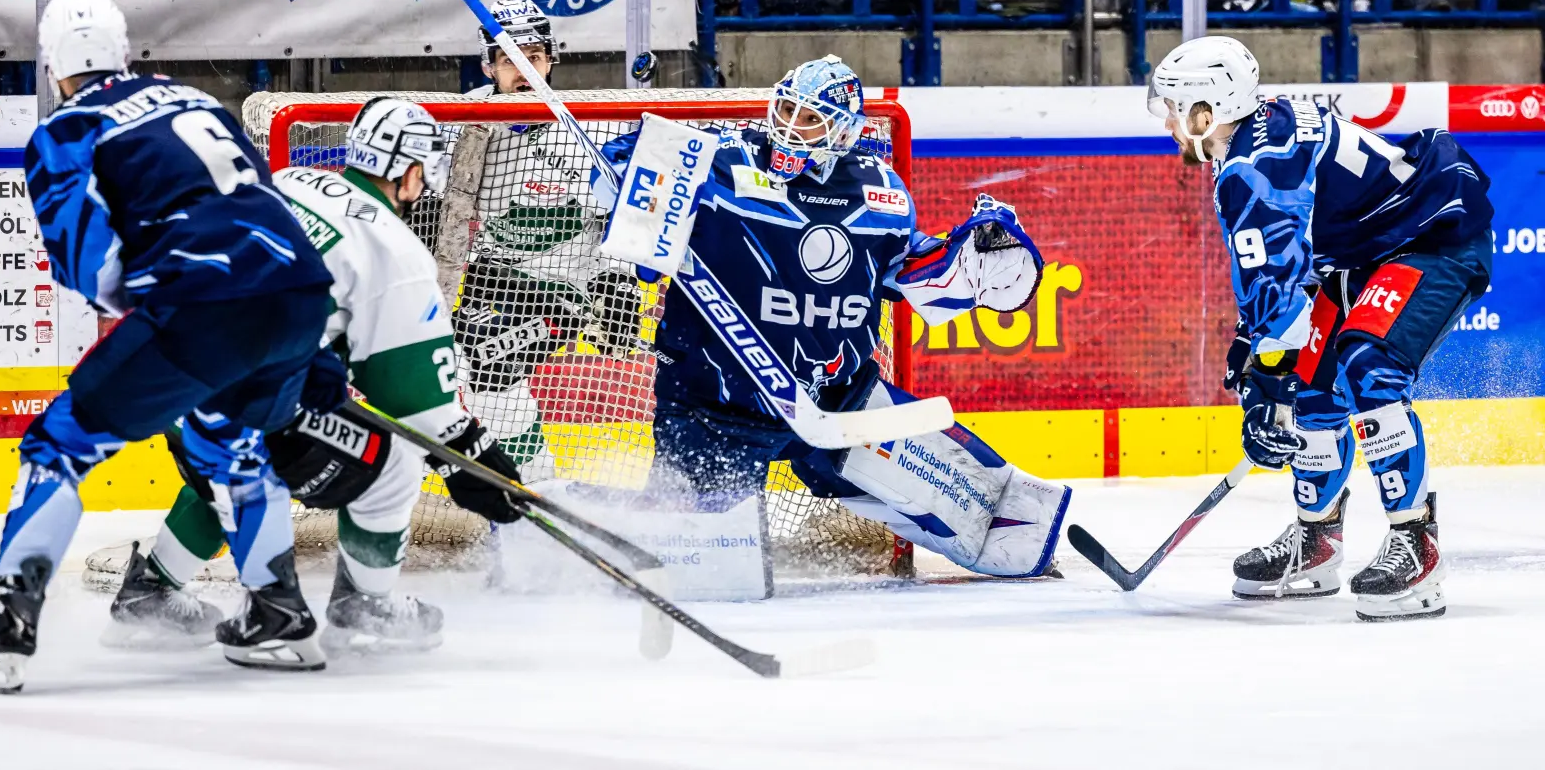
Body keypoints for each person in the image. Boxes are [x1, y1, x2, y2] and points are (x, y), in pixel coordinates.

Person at [0, 0, 337, 693]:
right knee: (232, 442)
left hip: (203, 303)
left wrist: (163, 336)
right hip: (302, 292)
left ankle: (9, 632)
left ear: (52, 69)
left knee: (57, 445)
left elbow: (89, 265)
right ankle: (281, 618)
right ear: (126, 54)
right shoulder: (193, 100)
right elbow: (258, 201)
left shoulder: (69, 128)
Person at [589, 56, 1066, 578]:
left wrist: (973, 261)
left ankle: (1014, 546)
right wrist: (629, 173)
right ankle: (580, 534)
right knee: (701, 571)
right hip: (717, 406)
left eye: (810, 118)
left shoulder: (879, 191)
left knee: (986, 506)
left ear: (844, 130)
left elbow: (908, 272)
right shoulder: (719, 160)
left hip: (839, 404)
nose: (791, 127)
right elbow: (623, 166)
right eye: (786, 109)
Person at [103, 99, 524, 654]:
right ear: (413, 172)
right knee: (396, 459)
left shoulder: (289, 178)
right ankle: (365, 607)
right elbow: (410, 390)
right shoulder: (391, 246)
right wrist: (468, 456)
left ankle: (149, 594)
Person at [1149, 35, 1494, 620]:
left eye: (1176, 113)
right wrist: (1258, 347)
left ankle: (1417, 545)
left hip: (1433, 239)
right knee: (1311, 381)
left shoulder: (1250, 167)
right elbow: (1281, 273)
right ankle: (1318, 542)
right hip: (1377, 247)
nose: (1170, 127)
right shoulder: (1257, 134)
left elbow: (1279, 285)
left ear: (1205, 114)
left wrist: (1266, 380)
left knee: (1368, 365)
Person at [454, 0, 645, 482]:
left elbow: (618, 222)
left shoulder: (594, 126)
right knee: (453, 372)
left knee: (486, 360)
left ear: (551, 59)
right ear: (489, 67)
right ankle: (534, 480)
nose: (524, 70)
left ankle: (538, 485)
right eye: (508, 60)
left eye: (533, 58)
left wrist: (618, 285)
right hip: (493, 278)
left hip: (567, 288)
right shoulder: (464, 122)